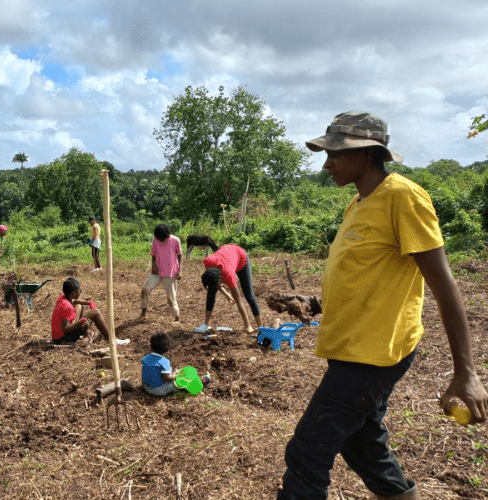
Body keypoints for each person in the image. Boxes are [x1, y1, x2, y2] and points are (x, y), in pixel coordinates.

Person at [277, 111, 488, 500]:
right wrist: (315, 303)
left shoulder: (403, 197)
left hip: (374, 354)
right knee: (361, 443)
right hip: (352, 346)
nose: (327, 164)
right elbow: (367, 278)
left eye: (335, 154)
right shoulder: (358, 203)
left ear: (368, 154)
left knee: (308, 451)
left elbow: (443, 284)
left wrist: (467, 371)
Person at [196, 244, 263, 334]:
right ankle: (205, 324)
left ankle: (261, 328)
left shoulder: (228, 275)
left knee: (249, 296)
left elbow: (238, 300)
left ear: (220, 278)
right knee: (211, 292)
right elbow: (215, 283)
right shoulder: (208, 262)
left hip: (241, 259)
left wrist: (248, 326)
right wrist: (227, 294)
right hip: (227, 252)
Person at [51, 277, 129, 346]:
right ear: (73, 293)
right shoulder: (67, 307)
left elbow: (74, 301)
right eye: (79, 290)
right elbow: (65, 329)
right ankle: (113, 340)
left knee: (79, 306)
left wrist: (88, 303)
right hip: (62, 339)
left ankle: (85, 336)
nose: (81, 291)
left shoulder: (63, 297)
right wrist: (80, 323)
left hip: (59, 336)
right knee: (95, 313)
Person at [141, 332, 210, 396]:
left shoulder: (145, 358)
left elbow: (151, 370)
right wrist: (174, 374)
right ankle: (203, 380)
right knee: (180, 381)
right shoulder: (164, 361)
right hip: (159, 390)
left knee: (169, 373)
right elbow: (168, 378)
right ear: (166, 349)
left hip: (146, 387)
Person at [139, 224, 182, 322]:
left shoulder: (175, 240)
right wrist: (153, 265)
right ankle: (143, 314)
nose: (161, 241)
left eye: (163, 239)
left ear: (168, 235)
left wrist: (180, 270)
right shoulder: (155, 240)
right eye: (159, 239)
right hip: (157, 271)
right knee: (145, 290)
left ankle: (176, 317)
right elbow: (153, 254)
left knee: (171, 299)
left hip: (170, 272)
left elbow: (180, 255)